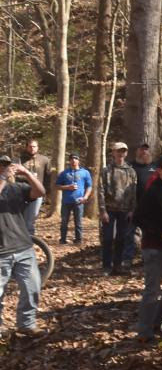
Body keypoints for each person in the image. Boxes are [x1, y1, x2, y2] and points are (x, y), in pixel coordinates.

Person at [133, 155, 162, 342]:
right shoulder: (153, 191)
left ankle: (158, 322)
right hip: (154, 247)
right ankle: (144, 331)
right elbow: (138, 217)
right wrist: (160, 231)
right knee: (152, 289)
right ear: (160, 170)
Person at [0, 155, 47, 337]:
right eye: (1, 165)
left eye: (7, 165)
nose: (5, 168)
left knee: (32, 287)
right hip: (1, 252)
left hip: (23, 247)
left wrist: (27, 173)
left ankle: (26, 324)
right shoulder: (4, 182)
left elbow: (40, 192)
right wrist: (3, 177)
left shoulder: (16, 188)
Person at [98, 142, 137, 275]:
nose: (121, 153)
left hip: (125, 210)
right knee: (108, 238)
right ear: (113, 152)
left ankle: (118, 265)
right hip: (109, 209)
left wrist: (132, 209)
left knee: (122, 239)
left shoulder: (131, 171)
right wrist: (103, 211)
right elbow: (101, 191)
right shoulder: (106, 170)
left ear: (126, 153)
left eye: (123, 151)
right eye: (118, 151)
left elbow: (133, 191)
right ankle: (106, 266)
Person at [55, 153, 93, 244]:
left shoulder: (85, 172)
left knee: (78, 222)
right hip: (66, 202)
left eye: (76, 158)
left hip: (79, 201)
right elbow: (57, 186)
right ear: (69, 161)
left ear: (79, 160)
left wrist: (85, 197)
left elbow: (89, 186)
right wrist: (67, 187)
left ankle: (78, 240)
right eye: (72, 159)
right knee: (64, 221)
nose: (74, 160)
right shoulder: (64, 173)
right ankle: (63, 240)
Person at [16, 139, 50, 236]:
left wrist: (46, 192)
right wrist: (28, 176)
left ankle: (30, 240)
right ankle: (20, 239)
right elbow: (15, 175)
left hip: (37, 192)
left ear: (37, 147)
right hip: (22, 192)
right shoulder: (19, 159)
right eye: (30, 146)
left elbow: (48, 177)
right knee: (21, 218)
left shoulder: (44, 160)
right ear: (26, 147)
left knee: (31, 219)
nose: (32, 148)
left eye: (34, 146)